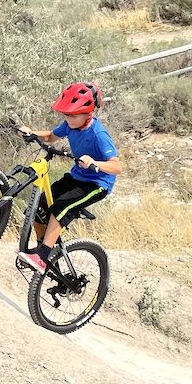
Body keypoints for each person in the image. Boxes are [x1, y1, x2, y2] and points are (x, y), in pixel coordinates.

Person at [16, 81, 122, 272]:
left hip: (97, 184)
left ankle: (43, 256)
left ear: (88, 113)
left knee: (61, 207)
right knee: (40, 205)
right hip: (76, 177)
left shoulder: (98, 134)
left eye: (73, 115)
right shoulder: (70, 125)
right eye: (66, 114)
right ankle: (42, 248)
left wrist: (95, 163)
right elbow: (51, 136)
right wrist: (32, 133)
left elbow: (117, 167)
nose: (69, 119)